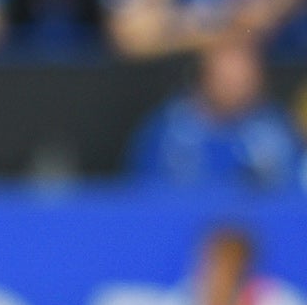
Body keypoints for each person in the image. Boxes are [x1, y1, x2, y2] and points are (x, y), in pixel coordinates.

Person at [127, 37, 302, 190]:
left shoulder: (275, 129)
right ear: (205, 78)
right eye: (227, 81)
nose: (236, 90)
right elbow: (142, 194)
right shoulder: (168, 130)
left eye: (244, 82)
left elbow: (295, 189)